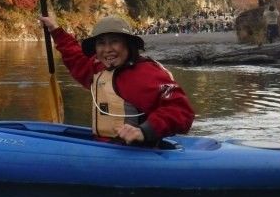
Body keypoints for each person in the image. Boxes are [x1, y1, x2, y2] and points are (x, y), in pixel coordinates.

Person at [39, 15, 195, 146]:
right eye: (101, 43)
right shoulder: (99, 68)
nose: (107, 49)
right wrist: (55, 30)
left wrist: (144, 131)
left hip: (135, 152)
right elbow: (76, 58)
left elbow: (181, 111)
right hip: (104, 146)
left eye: (114, 41)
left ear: (128, 44)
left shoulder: (146, 74)